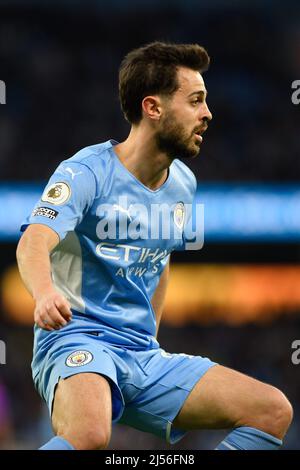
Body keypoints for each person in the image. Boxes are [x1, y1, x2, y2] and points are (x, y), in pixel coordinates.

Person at [16, 41, 293, 451]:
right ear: (153, 108)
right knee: (89, 436)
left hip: (141, 353)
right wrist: (43, 295)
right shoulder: (85, 172)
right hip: (77, 339)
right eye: (196, 100)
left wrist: (151, 337)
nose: (207, 114)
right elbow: (33, 241)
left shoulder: (183, 183)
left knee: (272, 411)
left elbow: (160, 260)